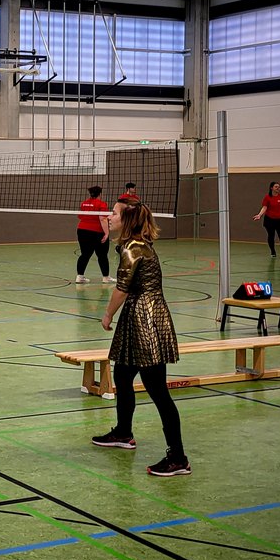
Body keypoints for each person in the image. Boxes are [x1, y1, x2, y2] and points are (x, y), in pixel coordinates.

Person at [93, 200, 189, 477]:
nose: (109, 216)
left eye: (114, 213)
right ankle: (124, 432)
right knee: (122, 376)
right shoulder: (134, 244)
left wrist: (107, 315)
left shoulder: (134, 248)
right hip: (140, 316)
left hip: (146, 320)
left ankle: (178, 457)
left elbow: (122, 288)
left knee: (158, 391)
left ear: (128, 220)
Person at [76, 186, 114, 284]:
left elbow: (81, 216)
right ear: (100, 194)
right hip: (96, 232)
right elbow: (102, 219)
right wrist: (106, 233)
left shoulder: (84, 203)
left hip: (82, 230)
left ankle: (80, 277)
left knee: (85, 254)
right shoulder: (101, 204)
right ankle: (106, 277)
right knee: (102, 255)